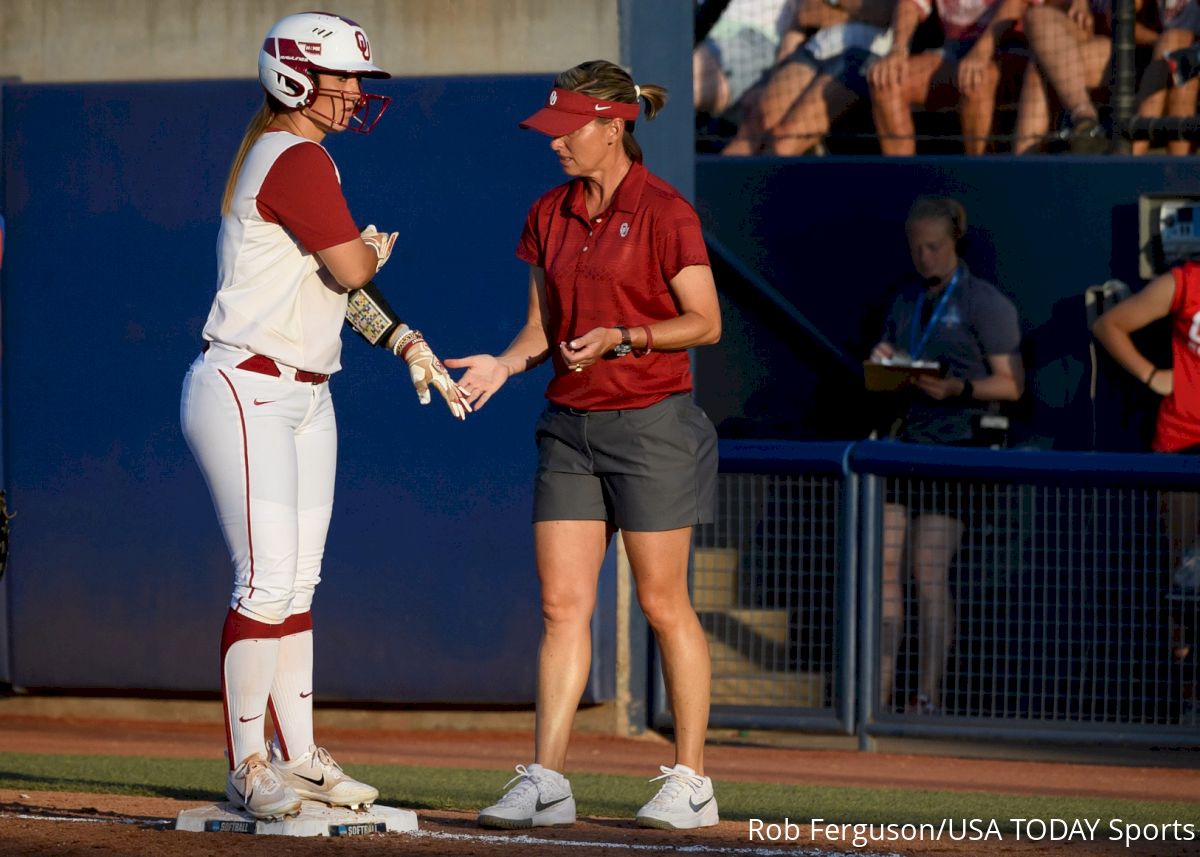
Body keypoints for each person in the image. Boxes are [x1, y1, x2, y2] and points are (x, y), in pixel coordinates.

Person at [180, 11, 468, 821]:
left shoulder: (309, 159)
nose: (352, 92)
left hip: (306, 390)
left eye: (354, 78)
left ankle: (299, 756)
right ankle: (248, 763)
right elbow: (351, 265)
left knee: (298, 583)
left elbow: (339, 285)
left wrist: (405, 337)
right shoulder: (295, 155)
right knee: (265, 580)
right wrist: (370, 252)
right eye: (339, 76)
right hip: (248, 385)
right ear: (294, 77)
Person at [445, 60, 723, 830]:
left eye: (570, 131)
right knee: (562, 605)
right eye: (553, 130)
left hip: (652, 424)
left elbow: (705, 321)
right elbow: (541, 327)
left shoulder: (667, 212)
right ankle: (548, 777)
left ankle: (692, 778)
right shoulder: (548, 212)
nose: (557, 144)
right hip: (568, 427)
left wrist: (624, 338)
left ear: (613, 128)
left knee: (664, 603)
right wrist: (505, 363)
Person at [868, 197, 1023, 713]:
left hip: (954, 452)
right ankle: (876, 698)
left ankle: (926, 696)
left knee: (925, 572)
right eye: (916, 247)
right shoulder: (905, 301)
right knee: (884, 569)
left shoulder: (985, 302)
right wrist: (885, 364)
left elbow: (1011, 385)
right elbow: (892, 359)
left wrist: (956, 390)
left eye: (933, 246)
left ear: (954, 242)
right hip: (903, 446)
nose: (924, 256)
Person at [1092, 263, 1200, 723]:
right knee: (1185, 575)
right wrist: (1153, 376)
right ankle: (1189, 701)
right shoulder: (1188, 281)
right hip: (1181, 442)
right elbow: (1109, 323)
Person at [721, 0, 898, 156]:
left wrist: (833, 4)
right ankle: (710, 188)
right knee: (757, 120)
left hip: (864, 58)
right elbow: (807, 13)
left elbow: (889, 13)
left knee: (783, 141)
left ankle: (756, 190)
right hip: (817, 50)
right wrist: (863, 8)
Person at [868, 0, 1028, 154]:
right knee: (887, 81)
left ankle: (982, 176)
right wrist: (898, 49)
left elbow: (1017, 3)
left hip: (1009, 45)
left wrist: (982, 52)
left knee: (976, 79)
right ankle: (902, 177)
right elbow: (910, 3)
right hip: (954, 49)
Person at [1013, 0, 1158, 154]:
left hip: (1132, 52)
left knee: (1043, 65)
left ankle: (1025, 159)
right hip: (1090, 36)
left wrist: (1159, 40)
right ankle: (1085, 120)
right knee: (1037, 17)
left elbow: (1118, 21)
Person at [695, 0, 802, 118]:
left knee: (679, 87)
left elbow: (803, 18)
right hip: (692, 18)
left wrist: (777, 82)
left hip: (755, 37)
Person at [1132, 0, 1200, 155]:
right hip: (1168, 58)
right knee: (1180, 70)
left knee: (1178, 49)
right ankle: (1179, 172)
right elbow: (1121, 21)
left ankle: (1130, 155)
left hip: (1192, 51)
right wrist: (1160, 41)